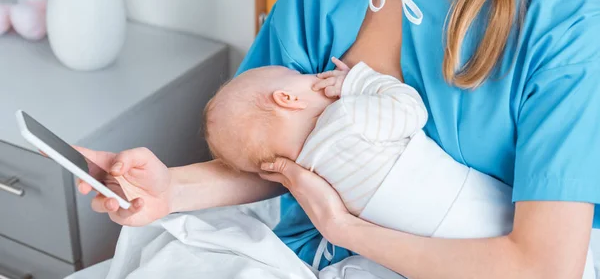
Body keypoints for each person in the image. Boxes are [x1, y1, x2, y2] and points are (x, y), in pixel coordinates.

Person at [77, 0, 600, 277]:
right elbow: (277, 154)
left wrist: (345, 229)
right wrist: (170, 189)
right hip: (305, 252)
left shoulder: (562, 21)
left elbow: (543, 266)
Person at [203, 57, 519, 272]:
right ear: (287, 98)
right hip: (473, 209)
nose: (318, 77)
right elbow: (411, 109)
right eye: (304, 76)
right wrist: (358, 81)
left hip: (429, 255)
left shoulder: (311, 176)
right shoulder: (347, 118)